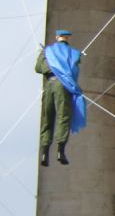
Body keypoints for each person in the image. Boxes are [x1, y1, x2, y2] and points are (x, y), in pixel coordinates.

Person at [35, 29, 87, 167]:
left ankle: (45, 153)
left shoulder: (47, 52)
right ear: (67, 39)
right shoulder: (73, 53)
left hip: (49, 85)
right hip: (63, 86)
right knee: (63, 117)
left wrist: (41, 55)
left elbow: (38, 68)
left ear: (57, 37)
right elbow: (74, 71)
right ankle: (60, 151)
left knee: (47, 118)